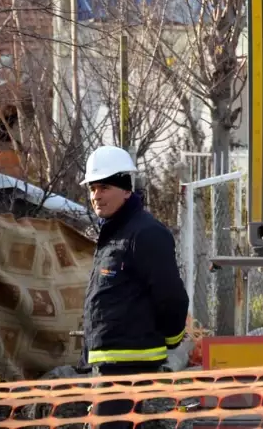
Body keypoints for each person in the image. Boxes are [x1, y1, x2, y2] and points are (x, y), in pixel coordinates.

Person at [81, 146, 188, 397]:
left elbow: (171, 295)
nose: (96, 195)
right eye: (92, 188)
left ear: (127, 189)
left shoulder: (146, 233)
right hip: (110, 362)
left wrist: (173, 338)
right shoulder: (114, 232)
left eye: (104, 187)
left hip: (129, 365)